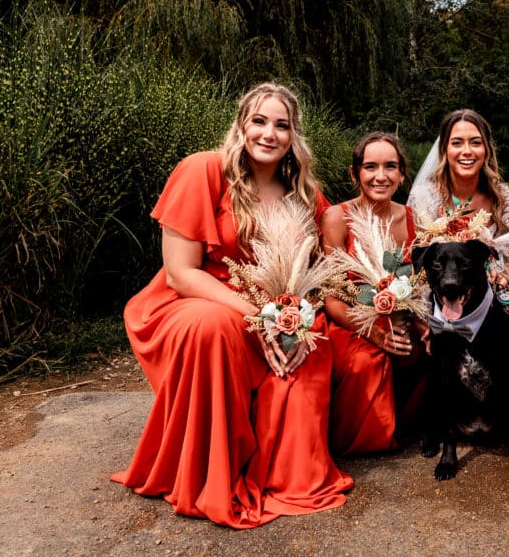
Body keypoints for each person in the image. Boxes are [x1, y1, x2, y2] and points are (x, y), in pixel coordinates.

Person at [111, 82, 352, 528]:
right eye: (259, 121)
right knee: (214, 327)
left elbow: (320, 271)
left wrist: (298, 322)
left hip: (276, 311)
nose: (269, 133)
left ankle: (278, 470)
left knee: (309, 355)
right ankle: (208, 474)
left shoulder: (304, 192)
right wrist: (256, 316)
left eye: (281, 125)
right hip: (199, 299)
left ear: (294, 135)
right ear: (241, 125)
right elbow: (180, 273)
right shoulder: (203, 170)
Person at [321, 132, 426, 454]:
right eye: (370, 167)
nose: (381, 176)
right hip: (350, 322)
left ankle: (412, 424)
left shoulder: (413, 219)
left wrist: (423, 323)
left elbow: (422, 285)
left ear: (402, 174)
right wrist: (375, 334)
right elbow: (331, 296)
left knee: (425, 347)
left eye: (390, 166)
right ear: (355, 174)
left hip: (399, 318)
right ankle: (363, 436)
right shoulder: (337, 217)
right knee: (366, 361)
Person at [407, 109, 509, 236]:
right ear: (444, 149)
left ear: (486, 149)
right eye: (457, 143)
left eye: (476, 143)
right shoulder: (422, 199)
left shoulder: (503, 199)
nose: (467, 151)